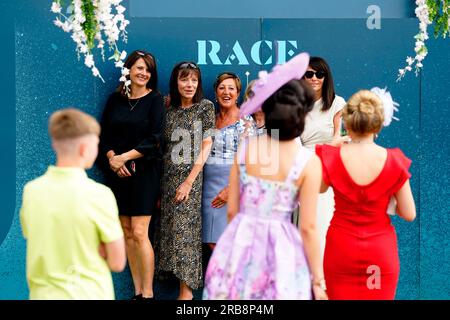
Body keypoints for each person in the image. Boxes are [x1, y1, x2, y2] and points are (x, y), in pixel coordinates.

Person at [203, 53, 328, 300]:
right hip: (281, 249)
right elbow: (309, 227)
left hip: (240, 242)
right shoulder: (308, 163)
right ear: (302, 114)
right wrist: (318, 281)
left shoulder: (247, 150)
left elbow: (232, 211)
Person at [316, 89, 416, 299]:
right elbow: (409, 213)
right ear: (379, 123)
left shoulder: (332, 157)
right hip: (379, 252)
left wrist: (332, 144)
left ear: (348, 122)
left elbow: (318, 188)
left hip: (341, 249)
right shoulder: (395, 161)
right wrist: (387, 199)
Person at [20, 108, 126, 300]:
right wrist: (99, 246)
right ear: (84, 149)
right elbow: (117, 262)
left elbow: (36, 235)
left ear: (55, 143)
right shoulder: (100, 195)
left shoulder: (31, 191)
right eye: (96, 144)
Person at [99, 50, 165, 300]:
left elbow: (155, 139)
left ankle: (148, 294)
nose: (143, 73)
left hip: (144, 173)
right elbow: (103, 135)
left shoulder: (155, 100)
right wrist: (111, 159)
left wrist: (123, 157)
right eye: (139, 68)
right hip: (117, 174)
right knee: (125, 231)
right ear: (128, 70)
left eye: (147, 69)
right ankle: (137, 292)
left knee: (139, 231)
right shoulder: (115, 100)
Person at [155, 61, 215, 300]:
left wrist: (189, 181)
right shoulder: (166, 108)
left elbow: (207, 145)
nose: (189, 84)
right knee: (170, 234)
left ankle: (186, 295)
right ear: (176, 82)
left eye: (193, 80)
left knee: (186, 235)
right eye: (184, 79)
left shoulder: (205, 107)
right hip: (166, 179)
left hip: (191, 179)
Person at [296, 56, 347, 258]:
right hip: (301, 170)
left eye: (320, 74)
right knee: (304, 226)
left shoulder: (338, 103)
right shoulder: (296, 105)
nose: (314, 78)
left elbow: (343, 138)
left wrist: (331, 145)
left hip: (329, 171)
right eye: (309, 74)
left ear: (326, 77)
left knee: (323, 223)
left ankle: (324, 282)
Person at [202, 72, 255, 250]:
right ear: (216, 93)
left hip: (231, 186)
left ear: (238, 94)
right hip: (208, 188)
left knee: (227, 244)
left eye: (231, 88)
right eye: (222, 88)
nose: (226, 92)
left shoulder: (246, 122)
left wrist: (231, 190)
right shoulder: (211, 119)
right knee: (211, 240)